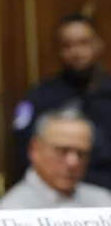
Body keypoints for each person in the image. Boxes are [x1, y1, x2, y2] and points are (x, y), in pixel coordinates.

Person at [11, 13, 111, 189]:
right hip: (58, 193)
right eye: (68, 45)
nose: (76, 52)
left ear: (99, 45)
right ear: (59, 51)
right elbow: (25, 153)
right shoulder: (40, 98)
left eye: (84, 43)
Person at [0, 106, 111, 209]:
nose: (73, 162)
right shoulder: (10, 212)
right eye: (62, 151)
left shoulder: (103, 202)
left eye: (81, 153)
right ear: (34, 149)